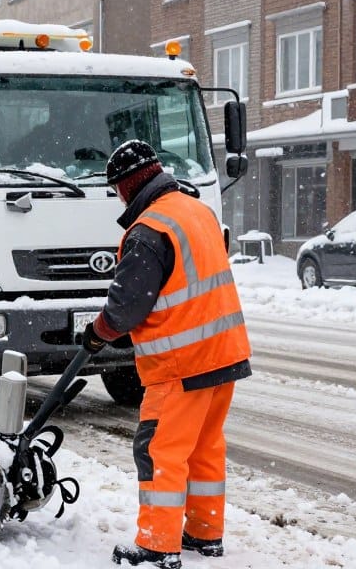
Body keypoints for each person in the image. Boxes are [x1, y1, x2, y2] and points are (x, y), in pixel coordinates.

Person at [81, 140, 251, 569]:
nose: (118, 198)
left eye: (117, 189)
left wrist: (97, 334)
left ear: (128, 184)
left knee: (159, 450)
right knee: (204, 446)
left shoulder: (148, 230)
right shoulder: (196, 211)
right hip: (224, 352)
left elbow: (124, 308)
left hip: (181, 364)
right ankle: (204, 533)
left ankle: (158, 544)